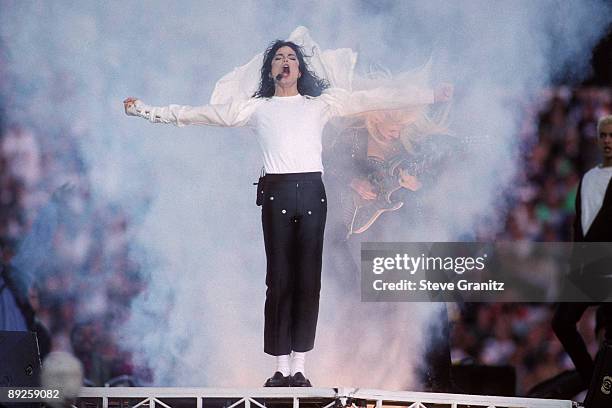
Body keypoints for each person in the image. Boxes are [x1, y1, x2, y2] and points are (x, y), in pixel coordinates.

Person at [124, 29, 453, 387]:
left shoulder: (322, 104)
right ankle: (280, 368)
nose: (286, 62)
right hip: (277, 194)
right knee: (278, 280)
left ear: (300, 69)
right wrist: (145, 111)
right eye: (279, 58)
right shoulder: (254, 108)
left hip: (313, 193)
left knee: (307, 282)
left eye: (292, 58)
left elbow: (375, 98)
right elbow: (196, 114)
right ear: (269, 70)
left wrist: (430, 95)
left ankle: (300, 368)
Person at [552, 114, 612, 391]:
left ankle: (603, 386)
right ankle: (593, 381)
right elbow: (581, 221)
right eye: (603, 135)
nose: (608, 141)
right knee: (562, 323)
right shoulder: (588, 177)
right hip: (588, 263)